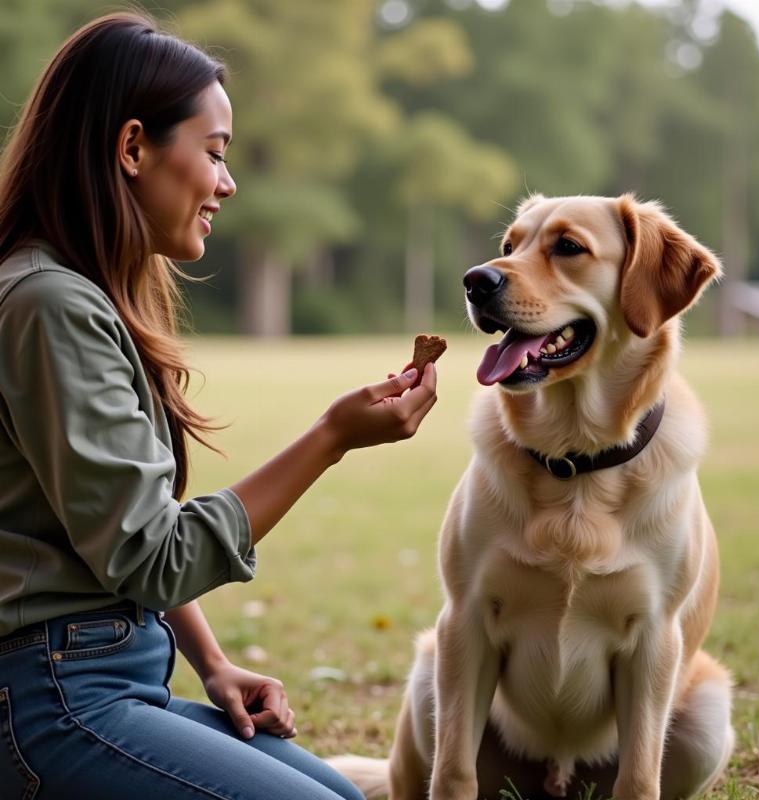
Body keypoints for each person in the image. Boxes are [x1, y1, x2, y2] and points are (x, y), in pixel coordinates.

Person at [0, 11, 437, 800]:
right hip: (49, 702)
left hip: (109, 677)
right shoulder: (48, 305)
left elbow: (125, 521)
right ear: (133, 148)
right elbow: (152, 553)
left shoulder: (77, 295)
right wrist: (330, 438)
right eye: (214, 153)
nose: (228, 183)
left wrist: (214, 662)